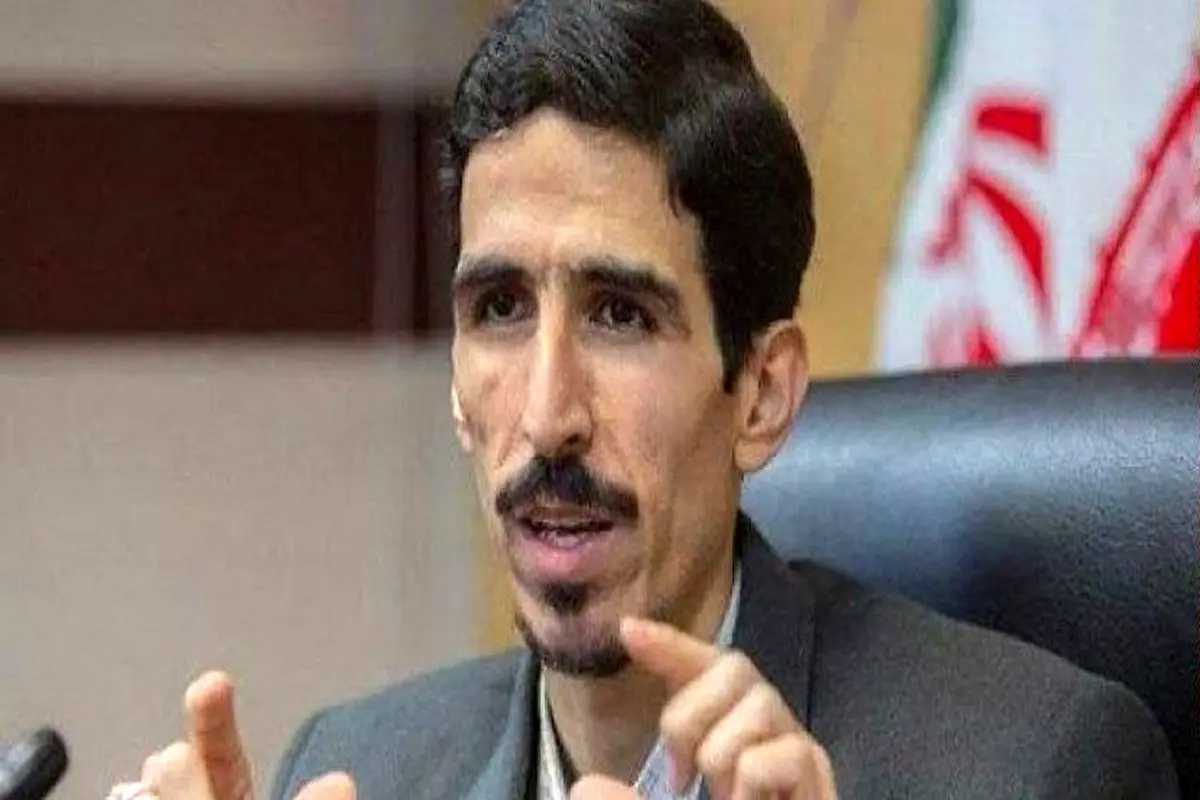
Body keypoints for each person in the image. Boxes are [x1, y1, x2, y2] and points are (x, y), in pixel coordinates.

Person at [113, 1, 1180, 799]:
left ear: (762, 394)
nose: (547, 416)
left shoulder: (1037, 766)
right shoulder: (361, 765)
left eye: (620, 314)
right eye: (499, 308)